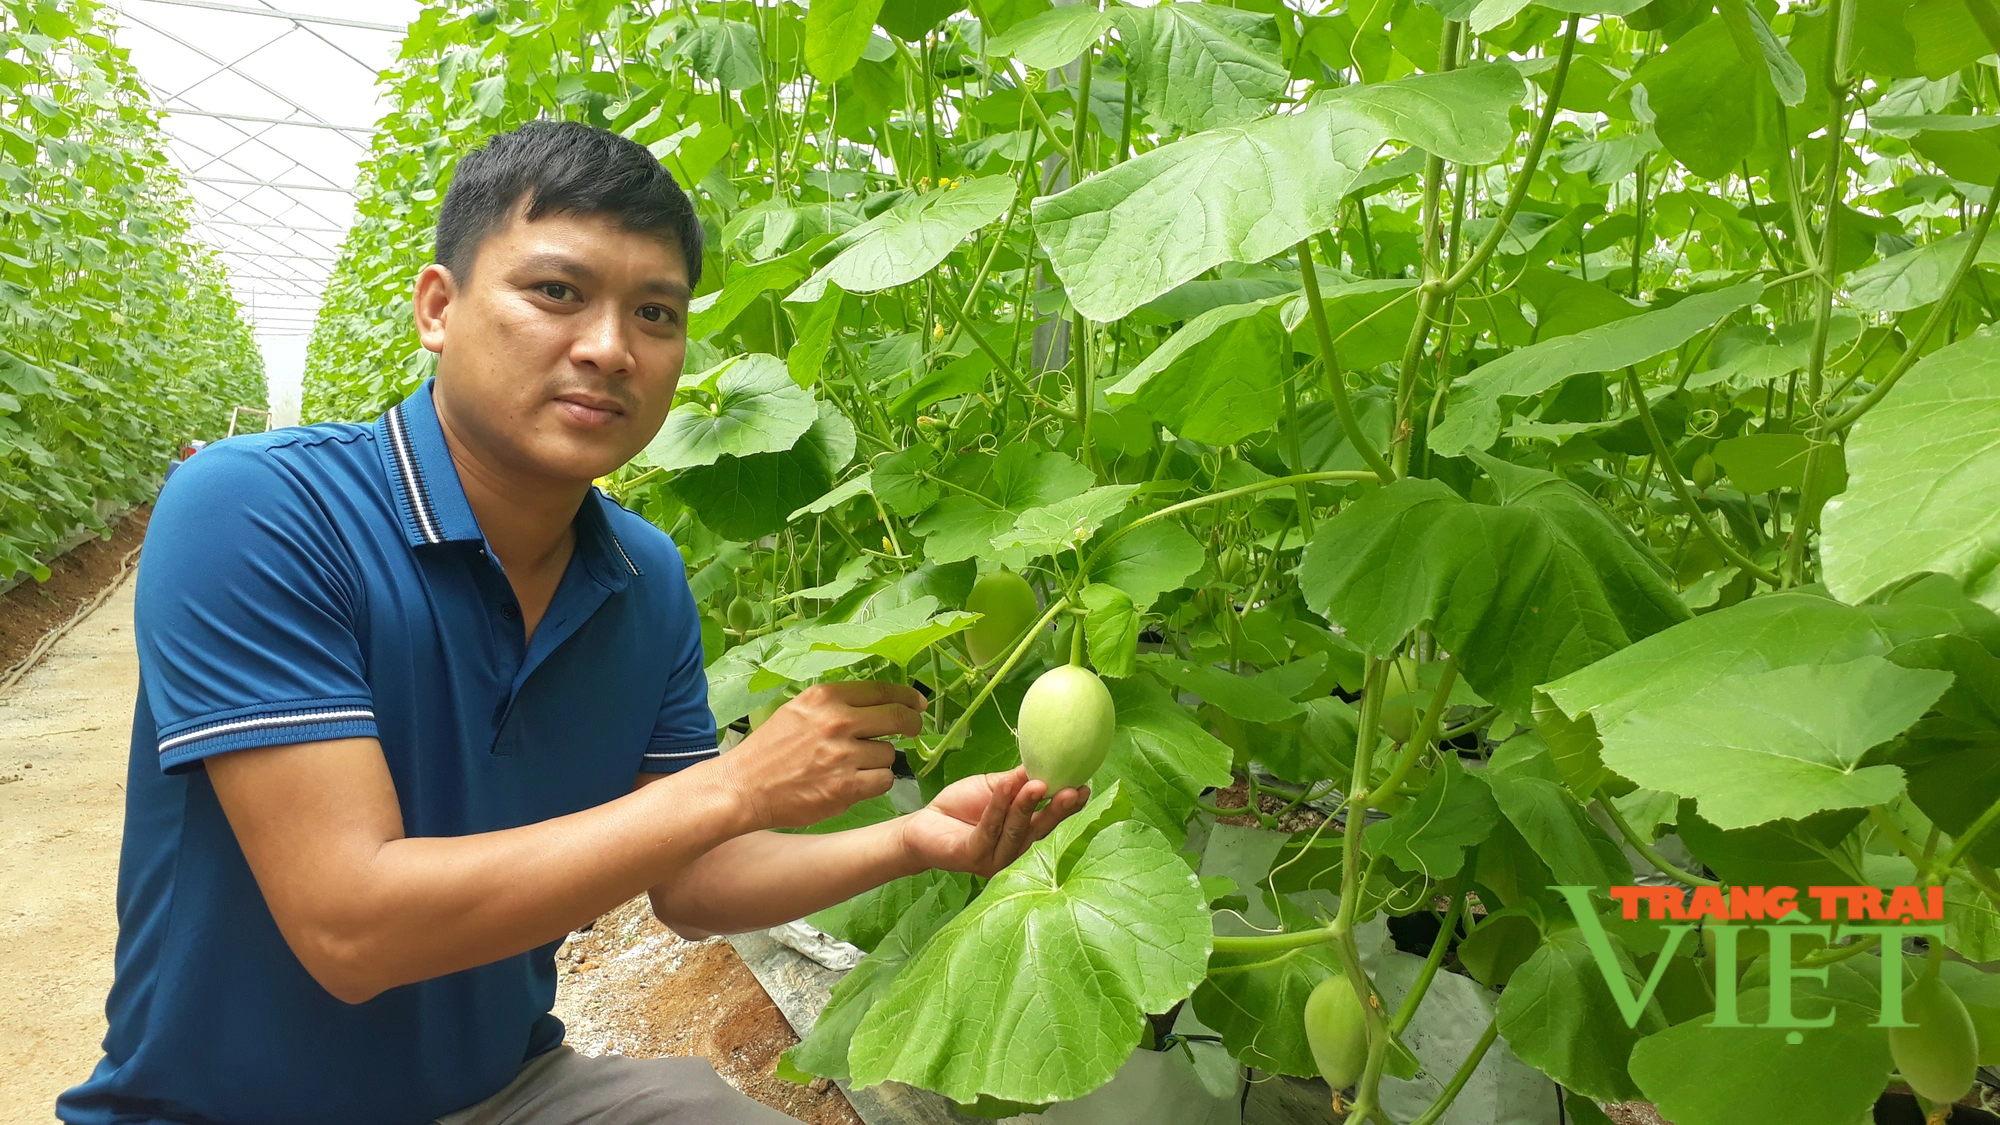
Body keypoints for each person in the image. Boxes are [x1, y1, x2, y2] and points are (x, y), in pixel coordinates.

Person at [58, 119, 1088, 1125]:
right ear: (436, 307)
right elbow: (350, 926)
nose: (608, 348)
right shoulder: (260, 508)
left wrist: (914, 838)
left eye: (656, 314)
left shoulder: (641, 574)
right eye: (556, 292)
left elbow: (692, 877)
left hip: (507, 1094)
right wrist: (736, 783)